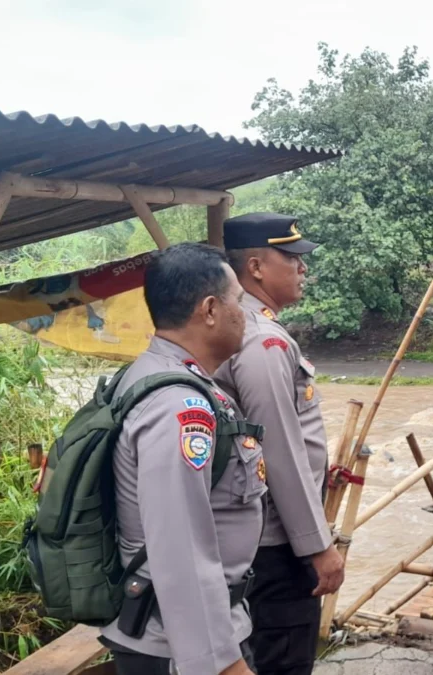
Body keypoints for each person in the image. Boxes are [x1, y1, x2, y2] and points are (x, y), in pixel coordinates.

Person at [98, 242, 264, 675]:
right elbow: (180, 545)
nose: (244, 314)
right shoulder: (177, 407)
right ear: (210, 309)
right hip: (177, 646)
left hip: (186, 633)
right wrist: (222, 664)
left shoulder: (154, 376)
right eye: (239, 302)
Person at [214, 212, 345, 675]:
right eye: (291, 258)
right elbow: (280, 452)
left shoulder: (249, 329)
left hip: (261, 538)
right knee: (282, 659)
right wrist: (317, 546)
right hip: (276, 545)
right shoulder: (260, 342)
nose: (302, 268)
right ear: (255, 267)